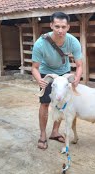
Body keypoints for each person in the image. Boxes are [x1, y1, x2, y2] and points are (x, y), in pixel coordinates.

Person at [31, 12, 83, 149]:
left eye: (63, 27)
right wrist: (39, 80)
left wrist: (77, 78)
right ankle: (42, 135)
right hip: (46, 72)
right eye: (57, 26)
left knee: (61, 103)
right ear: (51, 25)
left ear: (68, 27)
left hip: (63, 73)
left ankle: (55, 132)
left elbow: (79, 65)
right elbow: (34, 68)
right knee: (45, 103)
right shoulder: (40, 43)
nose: (60, 30)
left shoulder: (73, 42)